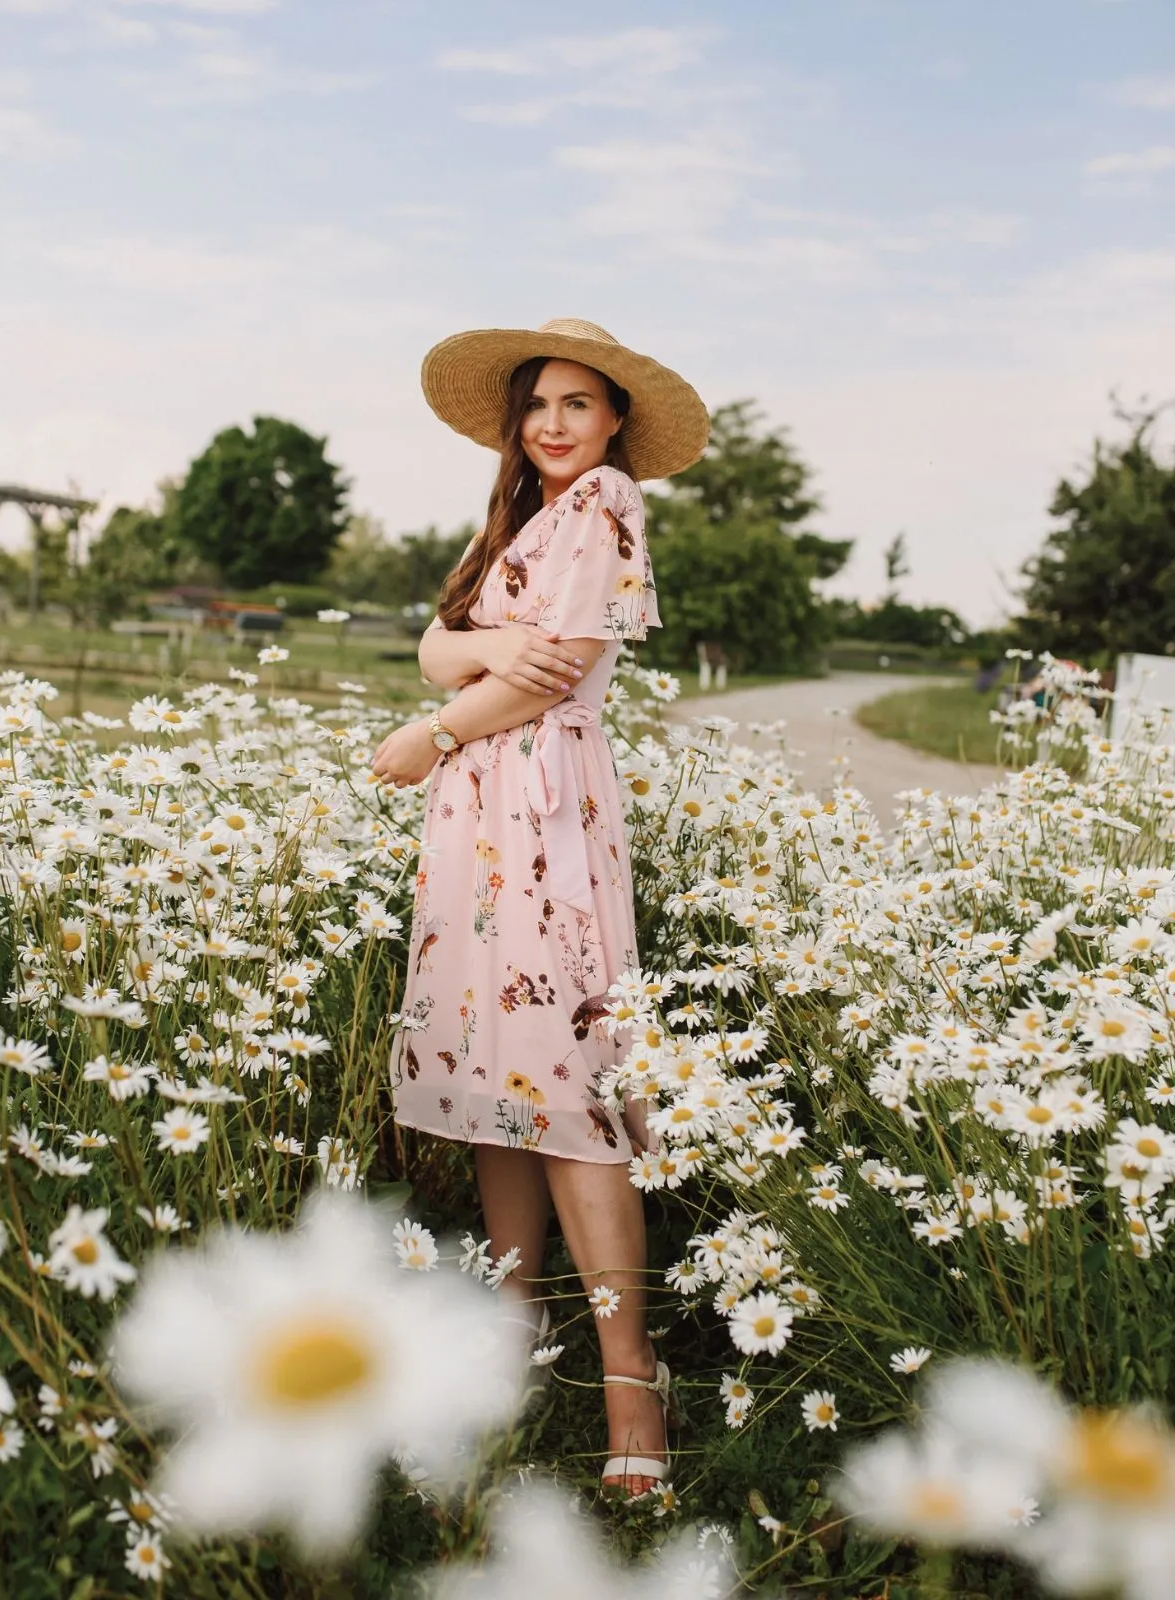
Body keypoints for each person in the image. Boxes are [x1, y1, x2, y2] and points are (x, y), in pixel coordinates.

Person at [370, 317, 709, 1499]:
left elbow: (549, 666)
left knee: (571, 1075)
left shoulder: (608, 498)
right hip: (482, 812)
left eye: (578, 402)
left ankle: (632, 1377)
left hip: (544, 804)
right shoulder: (518, 520)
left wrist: (432, 731)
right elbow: (432, 642)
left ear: (616, 419)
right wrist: (467, 663)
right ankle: (513, 1339)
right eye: (538, 405)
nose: (556, 424)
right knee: (490, 1067)